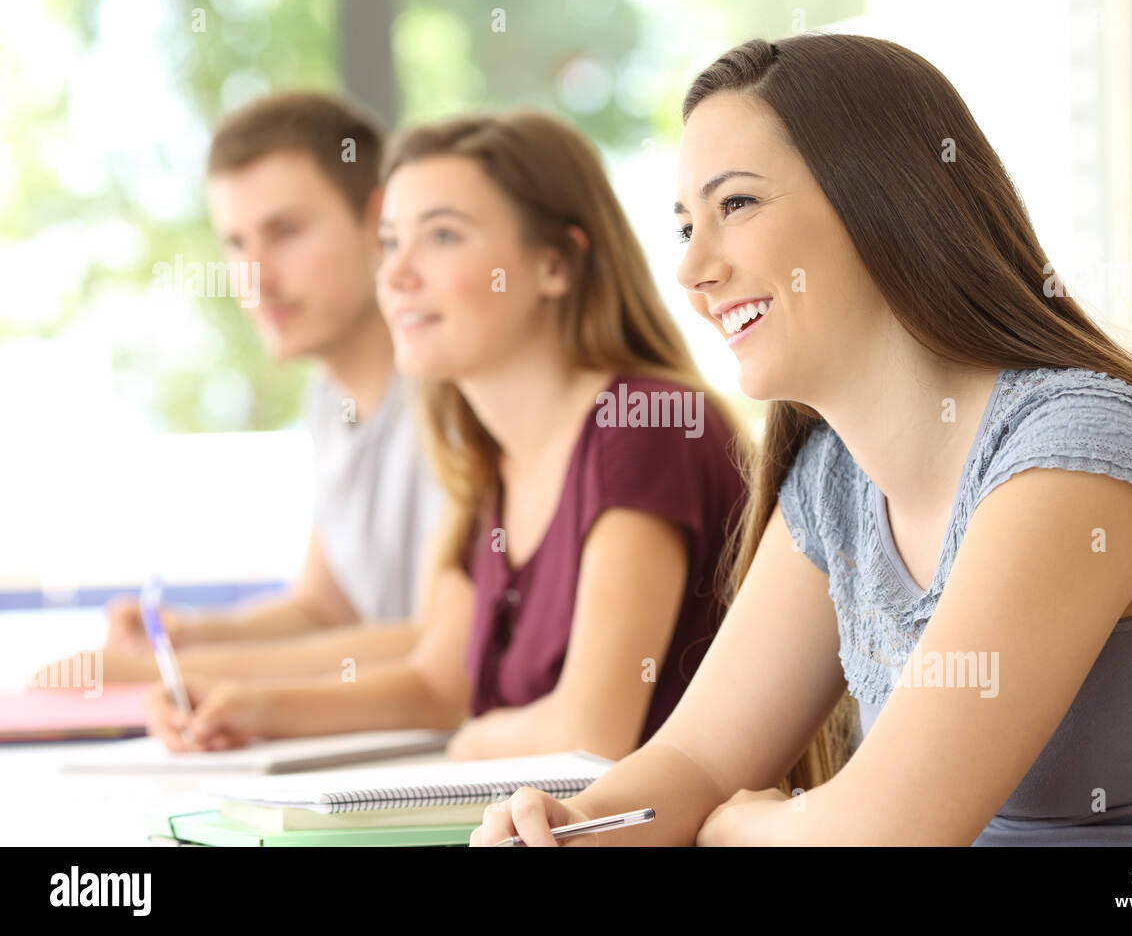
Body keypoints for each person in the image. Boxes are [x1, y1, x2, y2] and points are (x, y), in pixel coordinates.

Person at [470, 33, 1132, 846]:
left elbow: (883, 832)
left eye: (737, 204)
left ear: (883, 201)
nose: (692, 272)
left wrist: (740, 830)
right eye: (687, 226)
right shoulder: (834, 483)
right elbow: (695, 758)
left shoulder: (1074, 452)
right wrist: (573, 826)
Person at [145, 109, 748, 762]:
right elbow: (438, 682)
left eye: (441, 237)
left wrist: (470, 744)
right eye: (390, 240)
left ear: (555, 264)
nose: (397, 273)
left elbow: (587, 736)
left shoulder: (642, 426)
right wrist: (245, 706)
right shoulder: (489, 463)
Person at [100, 92, 442, 681]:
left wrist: (183, 673)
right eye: (236, 243)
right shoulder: (328, 399)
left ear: (378, 220)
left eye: (285, 232)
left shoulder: (451, 389)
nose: (256, 276)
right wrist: (186, 636)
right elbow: (324, 608)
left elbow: (439, 643)